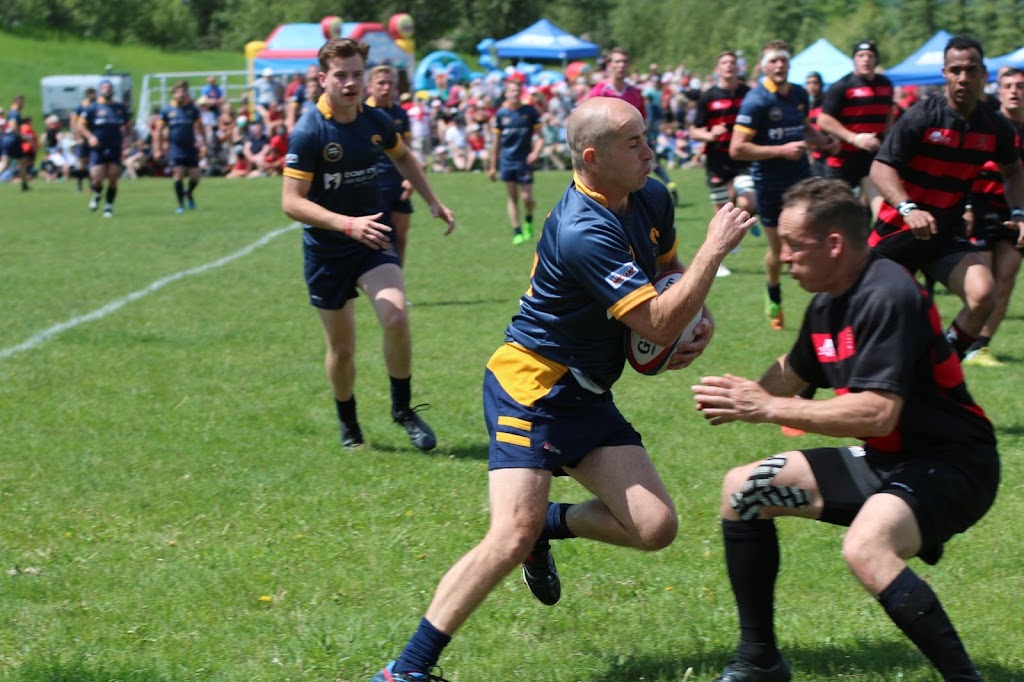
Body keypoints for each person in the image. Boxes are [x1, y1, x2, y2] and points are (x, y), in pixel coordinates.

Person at [370, 96, 754, 682]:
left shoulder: (649, 196)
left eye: (647, 137)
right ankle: (406, 670)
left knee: (655, 528)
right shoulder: (581, 228)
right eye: (634, 143)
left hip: (587, 390)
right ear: (593, 158)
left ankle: (548, 525)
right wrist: (712, 253)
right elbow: (653, 322)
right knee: (508, 533)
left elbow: (668, 283)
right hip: (531, 385)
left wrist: (698, 327)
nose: (650, 151)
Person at [693, 177, 999, 682]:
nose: (784, 257)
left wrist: (768, 407)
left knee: (865, 547)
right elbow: (795, 369)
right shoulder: (829, 300)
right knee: (743, 491)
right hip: (888, 461)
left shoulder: (889, 294)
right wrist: (745, 392)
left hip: (955, 463)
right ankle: (760, 661)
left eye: (794, 245)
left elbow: (878, 413)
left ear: (834, 244)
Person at [281, 37, 456, 452]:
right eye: (340, 75)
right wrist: (345, 224)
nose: (350, 83)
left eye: (357, 74)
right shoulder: (310, 131)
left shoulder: (375, 121)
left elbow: (405, 156)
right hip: (327, 251)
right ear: (323, 78)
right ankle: (349, 423)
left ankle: (403, 410)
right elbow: (291, 202)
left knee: (396, 318)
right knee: (342, 351)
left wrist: (433, 200)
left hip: (373, 240)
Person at [868, 35, 1024, 359]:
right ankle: (806, 385)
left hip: (946, 232)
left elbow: (1013, 170)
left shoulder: (995, 126)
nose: (963, 78)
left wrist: (1020, 212)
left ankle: (944, 362)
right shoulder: (921, 115)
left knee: (984, 295)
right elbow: (881, 167)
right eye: (956, 70)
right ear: (944, 73)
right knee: (863, 314)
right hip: (897, 230)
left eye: (971, 70)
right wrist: (908, 208)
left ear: (984, 74)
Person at [731, 40, 840, 330]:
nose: (779, 65)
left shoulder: (799, 94)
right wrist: (780, 151)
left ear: (790, 65)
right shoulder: (756, 101)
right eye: (773, 61)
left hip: (801, 179)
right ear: (764, 67)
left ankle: (830, 298)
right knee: (780, 252)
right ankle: (774, 292)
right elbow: (737, 148)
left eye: (783, 60)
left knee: (817, 235)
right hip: (770, 185)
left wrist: (824, 141)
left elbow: (804, 129)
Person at [962, 67, 1024, 366]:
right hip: (983, 207)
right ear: (998, 91)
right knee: (981, 284)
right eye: (1008, 86)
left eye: (1021, 86)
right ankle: (959, 341)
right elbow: (967, 167)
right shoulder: (989, 124)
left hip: (1016, 213)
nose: (1014, 91)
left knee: (1006, 279)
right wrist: (967, 207)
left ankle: (979, 347)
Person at [690, 50, 760, 278]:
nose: (729, 66)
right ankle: (718, 260)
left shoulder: (748, 94)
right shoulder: (708, 97)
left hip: (742, 159)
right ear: (718, 69)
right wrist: (710, 135)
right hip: (717, 161)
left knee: (747, 200)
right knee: (721, 213)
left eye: (732, 63)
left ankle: (735, 233)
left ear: (738, 68)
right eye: (724, 63)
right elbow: (694, 130)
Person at [588, 46, 679, 205]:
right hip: (607, 149)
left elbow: (642, 119)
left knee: (635, 186)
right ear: (610, 65)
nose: (621, 65)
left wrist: (640, 140)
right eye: (617, 61)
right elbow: (584, 116)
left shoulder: (635, 93)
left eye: (624, 61)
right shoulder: (599, 91)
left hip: (631, 148)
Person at [817, 40, 894, 218]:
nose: (865, 60)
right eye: (861, 56)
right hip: (842, 159)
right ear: (854, 60)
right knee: (836, 211)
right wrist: (854, 138)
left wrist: (888, 141)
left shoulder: (886, 85)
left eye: (870, 56)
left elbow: (889, 114)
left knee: (881, 207)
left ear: (876, 60)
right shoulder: (842, 86)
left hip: (872, 157)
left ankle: (881, 242)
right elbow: (823, 119)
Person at [366, 65, 416, 265]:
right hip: (374, 185)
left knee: (400, 238)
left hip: (398, 183)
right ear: (370, 86)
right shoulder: (362, 113)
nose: (386, 88)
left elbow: (408, 150)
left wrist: (410, 179)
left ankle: (398, 286)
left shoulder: (400, 114)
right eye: (381, 83)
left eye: (390, 83)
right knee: (379, 241)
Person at [489, 78, 544, 245]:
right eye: (512, 91)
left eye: (518, 91)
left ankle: (528, 220)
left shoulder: (530, 112)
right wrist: (493, 166)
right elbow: (496, 141)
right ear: (506, 93)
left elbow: (541, 137)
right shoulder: (501, 114)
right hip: (507, 161)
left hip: (523, 160)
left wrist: (535, 152)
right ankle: (517, 231)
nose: (515, 93)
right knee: (512, 196)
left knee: (527, 197)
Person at [78, 79, 130, 218]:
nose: (107, 89)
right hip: (98, 148)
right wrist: (90, 137)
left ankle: (108, 206)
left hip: (115, 147)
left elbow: (128, 125)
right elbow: (81, 125)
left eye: (109, 87)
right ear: (100, 90)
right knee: (97, 178)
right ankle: (97, 194)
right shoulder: (92, 108)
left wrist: (127, 140)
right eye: (104, 87)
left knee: (113, 177)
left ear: (112, 90)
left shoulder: (120, 108)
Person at [156, 80, 206, 214]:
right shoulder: (167, 110)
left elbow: (200, 127)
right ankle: (180, 205)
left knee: (195, 176)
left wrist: (204, 143)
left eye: (183, 92)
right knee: (178, 174)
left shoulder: (192, 109)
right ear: (173, 94)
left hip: (190, 147)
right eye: (178, 92)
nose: (181, 94)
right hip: (175, 147)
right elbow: (159, 130)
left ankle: (188, 192)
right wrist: (158, 148)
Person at [803, 72, 830, 178]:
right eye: (808, 83)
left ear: (821, 84)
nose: (811, 86)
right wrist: (810, 155)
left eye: (815, 83)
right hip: (816, 157)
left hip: (831, 154)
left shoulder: (828, 103)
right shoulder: (808, 105)